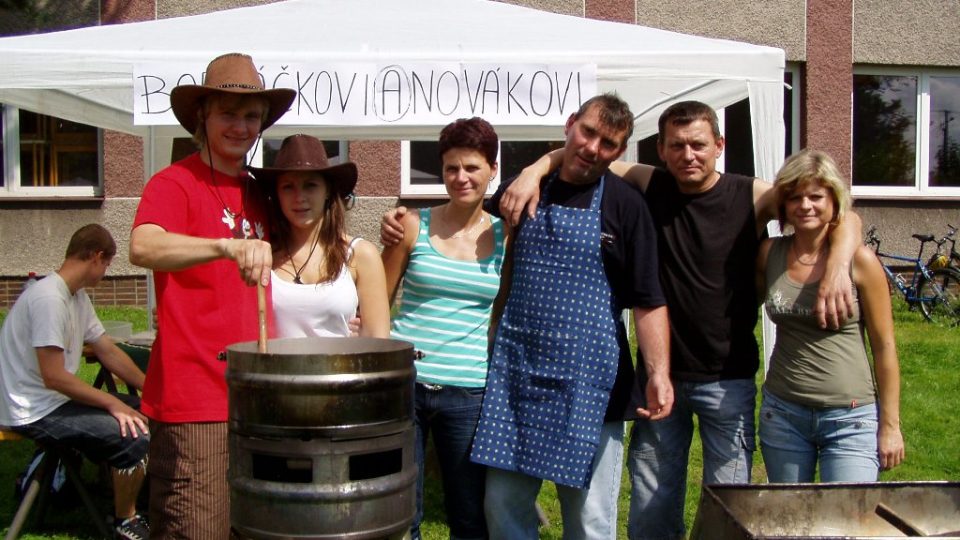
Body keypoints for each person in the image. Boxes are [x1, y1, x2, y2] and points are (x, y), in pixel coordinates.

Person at [493, 100, 863, 540]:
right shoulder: (651, 183)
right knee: (651, 505)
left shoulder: (752, 195)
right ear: (662, 152)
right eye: (677, 146)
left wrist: (839, 264)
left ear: (720, 146)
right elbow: (587, 153)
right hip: (660, 380)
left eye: (699, 145)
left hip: (728, 378)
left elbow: (838, 211)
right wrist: (536, 168)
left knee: (730, 507)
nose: (689, 155)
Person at [458, 94, 667, 539]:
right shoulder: (524, 187)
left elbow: (650, 298)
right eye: (587, 132)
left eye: (608, 143)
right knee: (504, 509)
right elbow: (475, 227)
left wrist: (659, 372)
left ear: (620, 152)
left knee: (589, 520)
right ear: (570, 125)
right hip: (517, 378)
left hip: (590, 387)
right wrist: (537, 168)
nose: (593, 148)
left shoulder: (626, 206)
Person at [128, 52, 295, 538]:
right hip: (195, 397)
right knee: (196, 526)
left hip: (258, 395)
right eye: (228, 113)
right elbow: (143, 245)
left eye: (250, 116)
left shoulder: (258, 190)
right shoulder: (174, 182)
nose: (240, 126)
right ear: (202, 116)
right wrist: (223, 245)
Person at [381, 117, 509, 540]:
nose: (461, 178)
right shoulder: (411, 225)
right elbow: (379, 298)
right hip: (406, 385)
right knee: (402, 510)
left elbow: (501, 312)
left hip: (468, 391)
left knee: (469, 513)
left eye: (471, 167)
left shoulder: (508, 238)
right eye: (451, 167)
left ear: (492, 169)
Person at [757, 149, 904, 482]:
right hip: (783, 413)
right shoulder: (769, 254)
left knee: (847, 523)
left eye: (815, 196)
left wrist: (890, 425)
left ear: (834, 199)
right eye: (794, 197)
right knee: (790, 525)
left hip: (850, 418)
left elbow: (885, 347)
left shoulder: (861, 262)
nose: (805, 205)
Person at [0, 224, 150, 540]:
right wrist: (112, 402)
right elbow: (53, 376)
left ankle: (133, 495)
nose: (105, 273)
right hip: (34, 410)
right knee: (133, 434)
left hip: (52, 400)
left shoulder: (75, 297)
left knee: (144, 410)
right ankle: (126, 520)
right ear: (96, 257)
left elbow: (105, 348)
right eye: (107, 265)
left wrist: (150, 390)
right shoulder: (48, 299)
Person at [249, 134, 390, 339]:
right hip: (277, 371)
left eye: (310, 185)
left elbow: (379, 343)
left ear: (327, 191)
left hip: (342, 370)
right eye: (288, 187)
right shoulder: (262, 255)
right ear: (277, 195)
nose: (299, 198)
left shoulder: (360, 255)